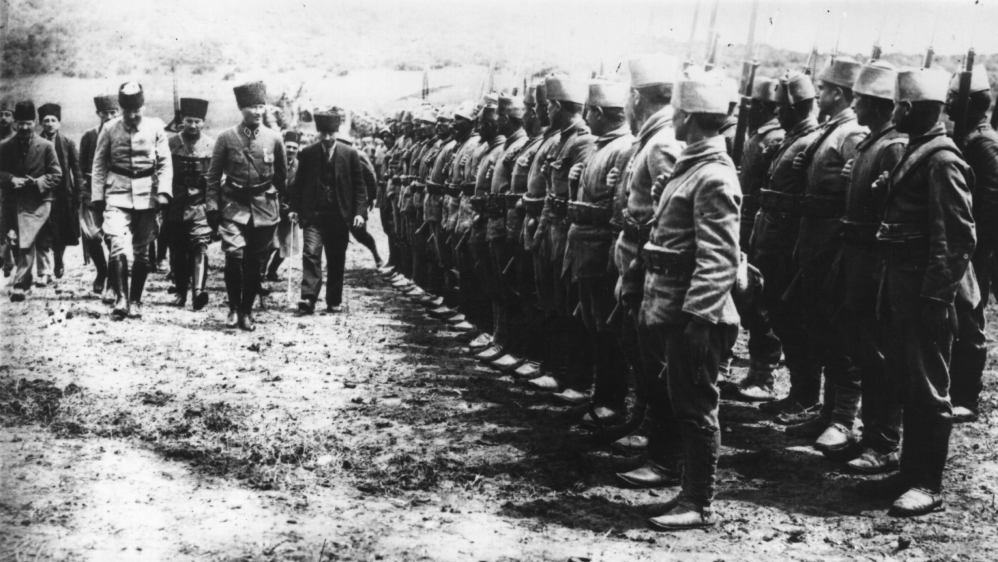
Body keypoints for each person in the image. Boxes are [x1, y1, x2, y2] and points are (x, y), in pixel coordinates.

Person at [857, 67, 976, 518]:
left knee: (929, 388)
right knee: (907, 380)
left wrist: (935, 299)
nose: (893, 111)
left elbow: (957, 239)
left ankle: (927, 483)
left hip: (924, 293)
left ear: (908, 108)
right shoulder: (917, 150)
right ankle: (909, 472)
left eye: (897, 105)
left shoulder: (942, 160)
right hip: (901, 285)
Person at [638, 69, 741, 530]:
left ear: (690, 118)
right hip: (675, 307)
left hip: (695, 314)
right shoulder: (693, 167)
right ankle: (684, 489)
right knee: (682, 400)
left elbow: (719, 258)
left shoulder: (713, 175)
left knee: (697, 407)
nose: (673, 118)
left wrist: (700, 320)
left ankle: (698, 502)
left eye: (678, 112)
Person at [609, 54, 685, 475]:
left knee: (655, 362)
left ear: (637, 97)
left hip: (649, 269)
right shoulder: (651, 139)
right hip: (637, 264)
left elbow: (672, 217)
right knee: (639, 354)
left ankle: (662, 451)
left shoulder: (662, 143)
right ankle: (647, 429)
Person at [787, 57, 868, 450]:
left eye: (822, 88)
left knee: (838, 332)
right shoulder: (832, 129)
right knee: (819, 326)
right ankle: (827, 412)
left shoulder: (852, 132)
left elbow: (858, 190)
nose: (817, 94)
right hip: (816, 242)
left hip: (834, 245)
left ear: (837, 93)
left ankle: (843, 419)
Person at [834, 60, 906, 472]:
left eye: (860, 99)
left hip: (875, 267)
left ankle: (883, 443)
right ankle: (869, 435)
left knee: (880, 357)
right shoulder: (872, 143)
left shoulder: (892, 146)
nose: (854, 105)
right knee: (862, 351)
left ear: (878, 105)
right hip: (857, 261)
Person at [561, 80, 635, 423]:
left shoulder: (623, 147)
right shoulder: (600, 146)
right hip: (587, 247)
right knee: (593, 325)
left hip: (603, 249)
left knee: (608, 331)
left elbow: (619, 206)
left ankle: (612, 401)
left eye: (589, 111)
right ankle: (600, 396)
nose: (585, 116)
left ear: (600, 112)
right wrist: (575, 181)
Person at [753, 72, 822, 417]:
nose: (776, 112)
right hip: (774, 241)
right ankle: (798, 392)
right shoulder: (791, 139)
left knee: (795, 322)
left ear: (795, 108)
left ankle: (805, 396)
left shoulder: (811, 141)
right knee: (781, 319)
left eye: (781, 107)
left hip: (790, 246)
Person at [206, 81, 287, 331]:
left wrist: (283, 205)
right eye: (252, 107)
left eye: (261, 106)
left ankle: (246, 311)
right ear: (241, 108)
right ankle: (233, 307)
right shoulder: (226, 137)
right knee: (234, 255)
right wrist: (212, 205)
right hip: (233, 205)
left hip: (264, 209)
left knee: (255, 262)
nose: (258, 111)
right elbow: (213, 176)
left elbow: (281, 177)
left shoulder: (274, 138)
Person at [723, 78, 785, 402]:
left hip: (761, 228)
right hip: (748, 225)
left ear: (761, 107)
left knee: (761, 304)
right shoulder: (759, 136)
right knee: (749, 301)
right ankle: (756, 372)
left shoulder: (773, 138)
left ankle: (765, 376)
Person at [90, 83, 173, 319]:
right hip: (117, 192)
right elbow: (98, 164)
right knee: (117, 243)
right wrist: (97, 196)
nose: (133, 115)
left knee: (142, 252)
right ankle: (121, 299)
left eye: (137, 110)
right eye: (128, 111)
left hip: (148, 194)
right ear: (121, 109)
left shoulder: (155, 127)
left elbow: (165, 162)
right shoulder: (109, 128)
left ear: (143, 106)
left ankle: (135, 300)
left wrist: (163, 192)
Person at [945, 65, 998, 424]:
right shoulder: (967, 137)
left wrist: (974, 251)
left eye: (953, 97)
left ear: (971, 103)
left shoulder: (983, 143)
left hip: (974, 248)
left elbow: (991, 202)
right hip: (960, 245)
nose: (947, 103)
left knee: (968, 320)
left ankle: (966, 398)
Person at [289, 108, 367, 314]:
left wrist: (359, 213)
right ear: (318, 133)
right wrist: (294, 208)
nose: (326, 138)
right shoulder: (308, 153)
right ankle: (308, 298)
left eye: (330, 133)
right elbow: (299, 184)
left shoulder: (349, 154)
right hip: (314, 215)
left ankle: (333, 300)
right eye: (322, 133)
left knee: (336, 258)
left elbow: (359, 187)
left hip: (339, 217)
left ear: (337, 132)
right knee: (311, 254)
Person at [477, 94, 528, 372]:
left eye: (498, 119)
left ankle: (511, 344)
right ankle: (500, 338)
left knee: (509, 288)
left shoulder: (519, 146)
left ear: (506, 119)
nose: (495, 124)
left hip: (509, 225)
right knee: (497, 285)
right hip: (497, 221)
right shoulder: (509, 145)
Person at [0, 101, 62, 302]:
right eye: (21, 123)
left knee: (26, 241)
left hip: (38, 202)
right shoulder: (5, 146)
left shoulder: (46, 146)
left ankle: (18, 285)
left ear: (35, 123)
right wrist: (11, 179)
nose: (25, 127)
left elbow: (56, 174)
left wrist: (37, 182)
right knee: (17, 242)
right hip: (12, 201)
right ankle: (25, 282)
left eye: (28, 123)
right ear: (15, 124)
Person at [165, 97, 215, 310]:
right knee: (178, 250)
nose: (193, 125)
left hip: (200, 204)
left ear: (203, 122)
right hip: (175, 204)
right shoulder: (169, 143)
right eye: (189, 121)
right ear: (181, 121)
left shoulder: (211, 145)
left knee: (200, 244)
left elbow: (217, 176)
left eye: (197, 121)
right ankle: (180, 291)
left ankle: (198, 291)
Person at [79, 95, 120, 302]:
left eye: (113, 112)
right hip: (91, 192)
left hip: (116, 192)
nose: (109, 116)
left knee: (114, 238)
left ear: (119, 112)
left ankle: (112, 283)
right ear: (98, 114)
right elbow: (81, 166)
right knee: (92, 236)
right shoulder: (89, 136)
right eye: (105, 113)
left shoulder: (123, 135)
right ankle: (101, 270)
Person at [38, 103, 83, 281]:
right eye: (46, 120)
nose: (49, 124)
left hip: (64, 195)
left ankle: (58, 259)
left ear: (59, 123)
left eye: (53, 120)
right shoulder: (36, 142)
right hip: (42, 193)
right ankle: (44, 269)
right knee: (44, 230)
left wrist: (78, 194)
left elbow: (77, 171)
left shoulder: (68, 143)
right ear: (40, 123)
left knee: (62, 231)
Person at [263, 130, 302, 283]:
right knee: (270, 244)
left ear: (298, 149)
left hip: (289, 211)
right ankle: (260, 271)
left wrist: (292, 207)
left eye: (294, 147)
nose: (291, 150)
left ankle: (272, 271)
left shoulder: (300, 167)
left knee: (285, 245)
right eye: (288, 146)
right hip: (270, 209)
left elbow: (301, 190)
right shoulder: (274, 162)